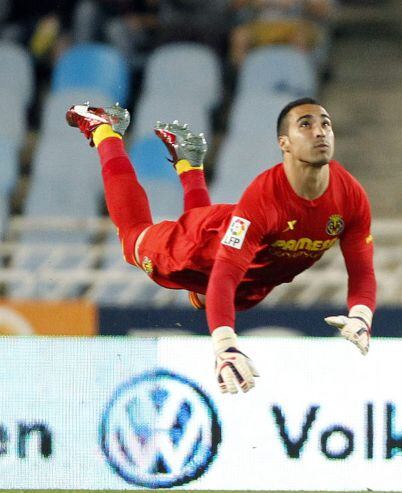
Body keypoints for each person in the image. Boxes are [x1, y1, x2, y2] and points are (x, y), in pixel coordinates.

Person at [66, 97, 376, 394]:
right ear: (285, 143)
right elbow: (224, 275)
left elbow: (362, 270)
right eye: (305, 125)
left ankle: (189, 165)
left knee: (202, 299)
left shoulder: (350, 196)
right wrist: (225, 347)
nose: (320, 131)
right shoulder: (266, 199)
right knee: (133, 239)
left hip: (253, 282)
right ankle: (105, 129)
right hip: (205, 249)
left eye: (326, 123)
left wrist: (361, 316)